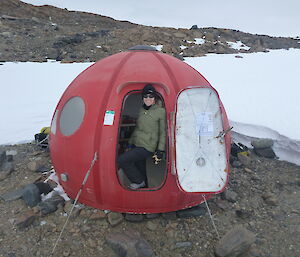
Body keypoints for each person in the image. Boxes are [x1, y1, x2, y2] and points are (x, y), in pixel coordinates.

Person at [117, 84, 166, 189]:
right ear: (143, 98)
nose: (148, 99)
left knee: (122, 160)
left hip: (148, 146)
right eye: (145, 96)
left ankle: (138, 181)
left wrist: (160, 150)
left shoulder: (160, 112)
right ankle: (144, 188)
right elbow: (137, 129)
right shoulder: (141, 110)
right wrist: (130, 143)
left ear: (155, 98)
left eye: (151, 96)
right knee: (141, 167)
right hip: (137, 143)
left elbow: (162, 132)